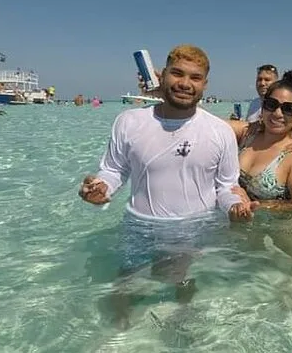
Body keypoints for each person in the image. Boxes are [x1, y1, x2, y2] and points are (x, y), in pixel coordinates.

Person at [78, 44, 254, 327]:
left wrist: (235, 207)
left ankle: (182, 332)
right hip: (139, 225)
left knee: (184, 289)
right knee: (124, 290)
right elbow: (114, 170)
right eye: (177, 73)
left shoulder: (220, 131)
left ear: (205, 84)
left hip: (193, 228)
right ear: (162, 76)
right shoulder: (129, 121)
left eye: (195, 77)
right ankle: (116, 337)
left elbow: (225, 186)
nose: (185, 83)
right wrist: (101, 188)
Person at [227, 70, 292, 211]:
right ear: (263, 106)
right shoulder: (248, 134)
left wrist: (255, 205)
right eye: (271, 104)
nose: (277, 113)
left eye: (288, 109)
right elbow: (208, 124)